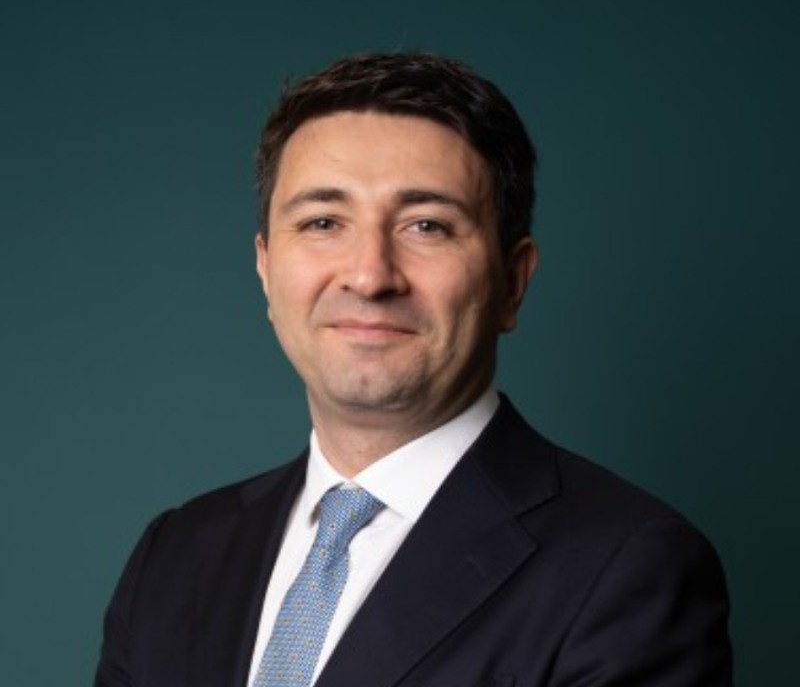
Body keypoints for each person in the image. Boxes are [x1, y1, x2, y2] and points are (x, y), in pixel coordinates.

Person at [95, 53, 733, 687]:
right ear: (265, 268)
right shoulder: (174, 557)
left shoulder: (627, 569)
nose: (370, 275)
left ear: (513, 282)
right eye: (323, 222)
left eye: (427, 226)